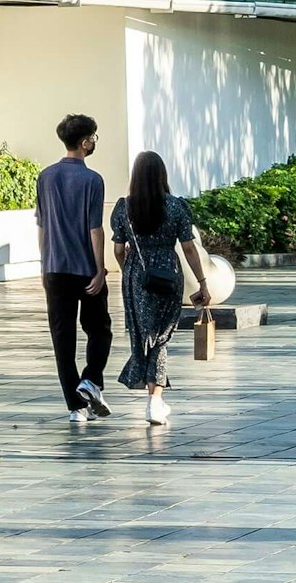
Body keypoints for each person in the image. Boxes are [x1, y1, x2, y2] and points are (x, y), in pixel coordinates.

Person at [110, 149, 213, 427]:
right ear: (162, 175)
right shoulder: (176, 206)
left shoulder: (123, 207)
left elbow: (119, 249)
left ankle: (149, 389)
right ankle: (155, 401)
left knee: (143, 333)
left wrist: (130, 272)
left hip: (136, 276)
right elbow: (189, 247)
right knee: (161, 336)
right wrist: (202, 281)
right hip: (168, 272)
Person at [37, 114, 113, 425]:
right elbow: (95, 229)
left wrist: (44, 264)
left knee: (62, 339)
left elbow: (41, 225)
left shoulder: (45, 177)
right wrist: (100, 269)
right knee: (100, 330)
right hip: (85, 269)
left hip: (55, 269)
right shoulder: (92, 180)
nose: (95, 142)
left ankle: (75, 407)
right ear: (84, 142)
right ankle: (91, 380)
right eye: (94, 137)